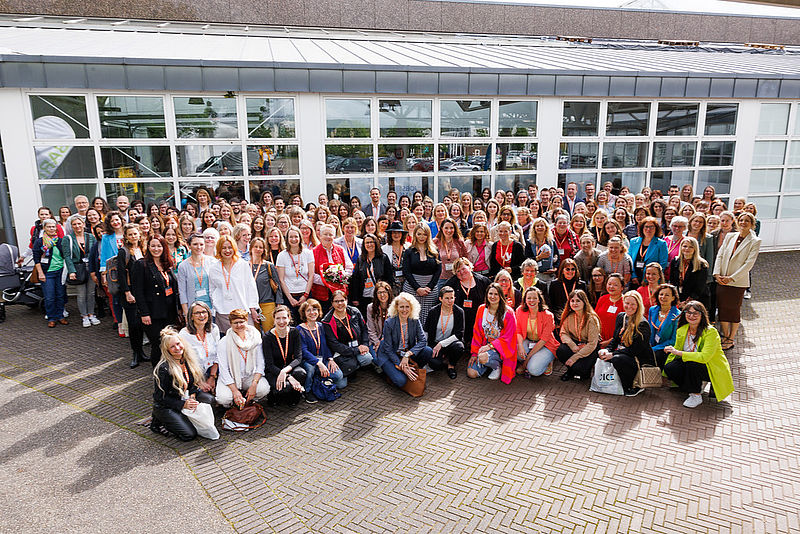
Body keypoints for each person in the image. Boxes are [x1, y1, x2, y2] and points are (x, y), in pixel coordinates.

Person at [150, 327, 216, 441]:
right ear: (167, 350)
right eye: (172, 347)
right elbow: (159, 397)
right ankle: (159, 420)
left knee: (210, 400)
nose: (177, 348)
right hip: (167, 405)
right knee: (189, 435)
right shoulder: (163, 369)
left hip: (185, 397)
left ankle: (183, 418)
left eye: (178, 344)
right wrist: (183, 405)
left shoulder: (188, 359)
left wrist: (193, 395)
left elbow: (193, 383)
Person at [664, 301, 734, 408]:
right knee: (670, 367)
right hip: (690, 363)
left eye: (695, 313)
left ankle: (696, 395)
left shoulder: (711, 332)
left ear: (702, 315)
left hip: (710, 367)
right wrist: (666, 371)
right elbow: (676, 353)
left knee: (692, 363)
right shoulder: (682, 330)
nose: (691, 316)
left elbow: (704, 357)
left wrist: (679, 352)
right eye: (689, 313)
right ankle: (692, 386)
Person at [713, 212, 761, 350]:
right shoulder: (730, 236)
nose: (743, 223)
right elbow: (720, 255)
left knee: (733, 310)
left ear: (752, 224)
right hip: (722, 279)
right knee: (722, 308)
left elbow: (748, 264)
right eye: (741, 220)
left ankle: (731, 338)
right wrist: (717, 274)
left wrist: (732, 277)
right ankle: (725, 335)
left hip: (737, 282)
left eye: (747, 221)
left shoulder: (755, 241)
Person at [132, 234, 179, 366]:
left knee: (169, 342)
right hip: (152, 313)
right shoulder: (141, 265)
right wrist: (144, 313)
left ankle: (170, 370)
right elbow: (138, 292)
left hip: (168, 311)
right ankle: (158, 372)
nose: (156, 249)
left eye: (159, 246)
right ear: (148, 247)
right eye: (153, 246)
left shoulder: (167, 264)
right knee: (158, 344)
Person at [598, 291, 654, 397]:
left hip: (638, 359)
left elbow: (635, 350)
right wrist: (607, 350)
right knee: (603, 354)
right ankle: (620, 381)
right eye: (627, 303)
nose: (629, 307)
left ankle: (634, 386)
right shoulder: (621, 316)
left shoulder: (642, 324)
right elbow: (615, 339)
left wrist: (613, 354)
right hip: (624, 353)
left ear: (638, 305)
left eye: (633, 304)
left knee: (617, 359)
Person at [376, 292, 434, 388]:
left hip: (406, 352)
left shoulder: (414, 320)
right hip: (390, 354)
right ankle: (388, 371)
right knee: (401, 381)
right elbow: (388, 349)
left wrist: (407, 355)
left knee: (428, 351)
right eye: (401, 307)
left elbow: (423, 340)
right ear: (396, 308)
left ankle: (413, 369)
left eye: (407, 307)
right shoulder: (389, 322)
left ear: (412, 308)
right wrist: (401, 365)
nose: (404, 310)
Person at [216, 309, 270, 408]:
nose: (239, 325)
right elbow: (223, 369)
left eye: (242, 322)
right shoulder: (224, 342)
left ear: (247, 321)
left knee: (263, 389)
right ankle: (233, 403)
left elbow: (260, 363)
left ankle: (250, 399)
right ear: (230, 324)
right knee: (223, 398)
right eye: (235, 323)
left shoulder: (255, 338)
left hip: (249, 376)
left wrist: (254, 385)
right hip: (231, 377)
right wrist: (235, 391)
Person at [467, 283, 517, 383]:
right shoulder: (481, 309)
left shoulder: (509, 313)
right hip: (483, 347)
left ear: (501, 296)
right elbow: (477, 331)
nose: (492, 297)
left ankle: (496, 367)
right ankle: (487, 363)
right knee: (471, 373)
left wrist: (489, 346)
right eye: (490, 294)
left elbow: (508, 337)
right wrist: (474, 353)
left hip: (501, 348)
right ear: (487, 295)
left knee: (482, 357)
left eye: (496, 294)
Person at [209, 235, 259, 332]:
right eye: (224, 248)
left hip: (242, 311)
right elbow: (212, 289)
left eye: (229, 247)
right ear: (219, 249)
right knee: (228, 342)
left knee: (247, 341)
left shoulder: (242, 264)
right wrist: (216, 304)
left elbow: (251, 287)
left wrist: (253, 308)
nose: (227, 250)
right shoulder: (214, 268)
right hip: (223, 312)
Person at [298, 299, 345, 400]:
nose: (312, 313)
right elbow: (304, 351)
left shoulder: (321, 326)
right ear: (304, 313)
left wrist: (330, 359)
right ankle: (307, 390)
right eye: (308, 310)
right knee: (310, 369)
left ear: (319, 311)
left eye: (315, 309)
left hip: (323, 360)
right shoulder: (299, 330)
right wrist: (318, 363)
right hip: (308, 361)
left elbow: (327, 345)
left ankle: (318, 380)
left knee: (338, 376)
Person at [262, 305, 307, 406]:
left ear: (289, 318)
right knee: (286, 387)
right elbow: (269, 364)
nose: (281, 321)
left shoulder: (294, 332)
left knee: (301, 374)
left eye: (284, 318)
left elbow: (298, 358)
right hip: (274, 370)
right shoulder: (267, 337)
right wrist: (288, 376)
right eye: (278, 318)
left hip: (288, 367)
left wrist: (284, 371)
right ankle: (274, 395)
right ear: (273, 319)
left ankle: (295, 396)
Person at [322, 290, 374, 377]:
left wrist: (365, 344)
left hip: (357, 346)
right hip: (341, 352)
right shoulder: (327, 321)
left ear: (346, 300)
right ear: (332, 303)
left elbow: (364, 328)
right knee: (341, 384)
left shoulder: (354, 311)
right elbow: (334, 344)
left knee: (367, 358)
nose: (340, 304)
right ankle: (350, 367)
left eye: (342, 300)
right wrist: (356, 350)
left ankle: (353, 366)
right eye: (336, 301)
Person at [556, 289, 601, 382]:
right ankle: (570, 371)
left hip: (590, 347)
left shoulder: (591, 319)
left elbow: (592, 344)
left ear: (584, 302)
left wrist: (574, 357)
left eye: (578, 301)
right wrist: (572, 345)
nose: (574, 303)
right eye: (572, 301)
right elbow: (563, 333)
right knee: (561, 350)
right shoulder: (569, 316)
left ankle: (582, 370)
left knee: (582, 370)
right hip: (575, 345)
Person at [63, 216, 99, 327]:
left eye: (79, 223)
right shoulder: (67, 238)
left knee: (91, 293)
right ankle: (84, 316)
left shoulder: (90, 237)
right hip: (77, 268)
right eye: (74, 224)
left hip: (90, 267)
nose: (77, 226)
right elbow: (67, 256)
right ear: (71, 226)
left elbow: (94, 254)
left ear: (83, 224)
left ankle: (91, 314)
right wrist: (71, 271)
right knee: (81, 294)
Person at [402, 224, 441, 326]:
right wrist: (417, 288)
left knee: (429, 316)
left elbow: (438, 270)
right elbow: (406, 271)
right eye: (419, 234)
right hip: (412, 287)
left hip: (430, 289)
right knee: (412, 314)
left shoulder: (434, 251)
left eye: (424, 234)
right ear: (415, 235)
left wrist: (430, 287)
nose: (422, 237)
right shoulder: (409, 251)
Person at [515, 286, 558, 377]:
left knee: (534, 370)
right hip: (529, 341)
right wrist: (520, 346)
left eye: (535, 298)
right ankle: (534, 360)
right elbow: (518, 330)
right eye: (529, 298)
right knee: (515, 351)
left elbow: (543, 340)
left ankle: (548, 361)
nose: (532, 301)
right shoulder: (520, 311)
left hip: (544, 345)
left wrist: (526, 361)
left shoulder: (548, 315)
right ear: (525, 300)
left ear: (539, 300)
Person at [179, 301, 220, 396]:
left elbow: (218, 355)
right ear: (191, 317)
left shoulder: (214, 329)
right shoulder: (184, 334)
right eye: (197, 313)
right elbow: (183, 361)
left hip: (212, 371)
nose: (201, 315)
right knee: (209, 399)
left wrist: (212, 377)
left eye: (204, 312)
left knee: (222, 396)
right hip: (193, 375)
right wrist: (199, 382)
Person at [424, 286, 465, 379]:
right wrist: (425, 347)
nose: (450, 301)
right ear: (440, 299)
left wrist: (441, 344)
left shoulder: (459, 312)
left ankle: (451, 366)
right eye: (446, 298)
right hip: (434, 343)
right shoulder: (433, 311)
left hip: (450, 343)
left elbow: (459, 333)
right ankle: (442, 361)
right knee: (435, 364)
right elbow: (426, 330)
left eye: (452, 298)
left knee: (459, 347)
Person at [32, 219, 67, 328]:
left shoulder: (60, 241)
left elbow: (65, 256)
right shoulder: (39, 242)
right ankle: (52, 318)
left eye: (53, 226)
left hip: (60, 271)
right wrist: (40, 273)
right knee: (49, 297)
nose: (51, 228)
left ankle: (60, 316)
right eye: (49, 227)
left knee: (60, 295)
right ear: (44, 228)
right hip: (47, 272)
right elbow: (36, 259)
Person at [276, 226, 315, 325]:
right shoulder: (282, 255)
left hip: (305, 295)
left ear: (300, 237)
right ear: (287, 239)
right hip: (289, 297)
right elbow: (281, 279)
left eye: (296, 236)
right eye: (291, 237)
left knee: (307, 323)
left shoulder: (308, 253)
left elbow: (311, 276)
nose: (294, 239)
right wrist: (290, 298)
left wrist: (305, 295)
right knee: (291, 325)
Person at [350, 233, 394, 317]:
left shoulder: (383, 258)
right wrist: (355, 297)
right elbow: (355, 279)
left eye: (371, 242)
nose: (369, 245)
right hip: (365, 295)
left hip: (380, 295)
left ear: (376, 243)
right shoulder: (361, 259)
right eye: (367, 243)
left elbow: (389, 278)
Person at [311, 224, 352, 313]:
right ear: (320, 236)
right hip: (322, 293)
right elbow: (311, 274)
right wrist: (327, 281)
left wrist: (342, 277)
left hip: (340, 292)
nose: (328, 237)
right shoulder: (313, 252)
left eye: (330, 235)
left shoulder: (340, 249)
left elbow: (349, 267)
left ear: (334, 236)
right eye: (325, 234)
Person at [249, 237, 283, 332]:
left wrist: (279, 304)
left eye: (261, 247)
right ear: (251, 248)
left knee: (270, 332)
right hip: (251, 306)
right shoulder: (245, 266)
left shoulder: (268, 266)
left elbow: (278, 286)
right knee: (254, 333)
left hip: (267, 304)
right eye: (255, 246)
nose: (258, 249)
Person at [177, 234, 214, 321]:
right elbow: (182, 291)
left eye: (201, 244)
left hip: (211, 307)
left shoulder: (212, 262)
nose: (198, 247)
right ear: (189, 245)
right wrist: (186, 313)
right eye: (195, 244)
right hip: (193, 309)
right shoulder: (183, 266)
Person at [628, 216, 669, 287]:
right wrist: (633, 276)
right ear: (642, 228)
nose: (648, 229)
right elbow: (629, 261)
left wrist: (647, 279)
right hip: (634, 280)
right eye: (646, 227)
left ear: (656, 229)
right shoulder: (633, 241)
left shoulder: (661, 244)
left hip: (652, 281)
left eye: (651, 227)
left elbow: (663, 263)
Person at [670, 236, 709, 309]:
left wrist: (687, 302)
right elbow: (672, 282)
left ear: (695, 249)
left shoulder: (702, 264)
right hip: (679, 299)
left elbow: (700, 287)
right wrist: (676, 299)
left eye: (691, 247)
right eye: (685, 246)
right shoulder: (675, 261)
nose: (687, 249)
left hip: (697, 300)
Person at [648, 283, 681, 369]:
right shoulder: (652, 310)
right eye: (661, 294)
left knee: (657, 355)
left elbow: (673, 340)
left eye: (667, 295)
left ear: (673, 298)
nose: (663, 297)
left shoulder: (677, 315)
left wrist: (654, 349)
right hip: (651, 346)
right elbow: (648, 331)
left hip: (666, 349)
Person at [547, 258, 587, 322]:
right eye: (567, 269)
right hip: (560, 318)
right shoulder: (554, 284)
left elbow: (586, 303)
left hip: (578, 318)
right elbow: (551, 304)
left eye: (573, 269)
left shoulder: (581, 285)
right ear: (562, 271)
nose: (570, 271)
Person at [433, 218, 469, 288]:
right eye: (446, 228)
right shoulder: (435, 242)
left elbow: (465, 259)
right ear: (441, 229)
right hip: (440, 278)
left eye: (451, 228)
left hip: (457, 277)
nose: (449, 231)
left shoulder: (459, 242)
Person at [382, 221, 409, 295]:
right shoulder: (384, 249)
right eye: (394, 233)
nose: (396, 235)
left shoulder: (408, 247)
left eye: (398, 232)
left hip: (406, 283)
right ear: (390, 234)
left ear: (402, 234)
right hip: (391, 284)